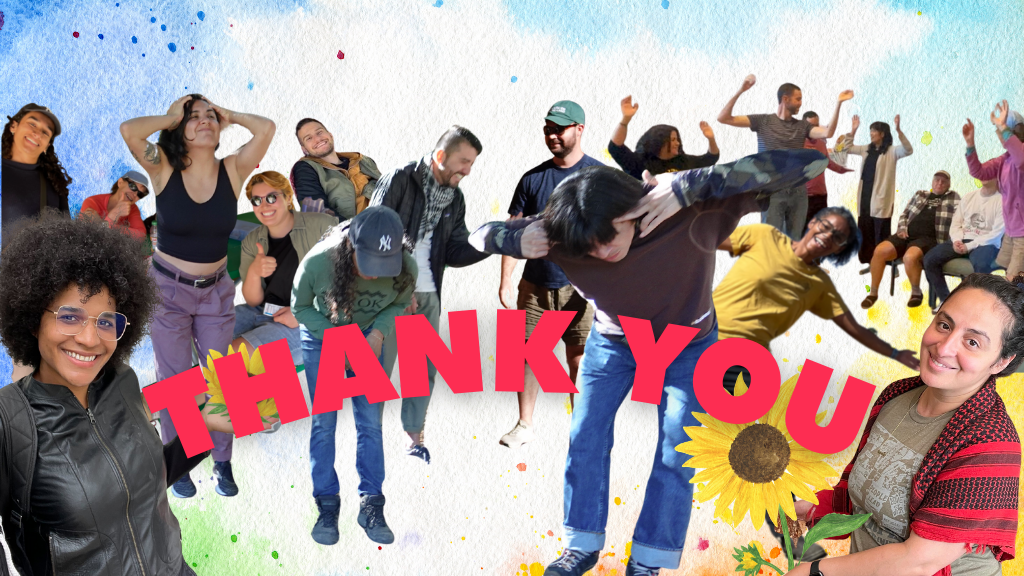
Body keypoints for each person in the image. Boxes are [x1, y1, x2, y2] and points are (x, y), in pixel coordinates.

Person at [470, 148, 829, 576]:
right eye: (589, 247)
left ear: (633, 208)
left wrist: (688, 185)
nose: (601, 252)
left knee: (677, 449)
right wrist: (513, 238)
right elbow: (476, 235)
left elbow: (808, 165)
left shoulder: (688, 210)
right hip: (614, 339)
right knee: (585, 434)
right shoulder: (566, 230)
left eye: (609, 237)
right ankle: (581, 545)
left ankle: (648, 560)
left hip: (687, 342)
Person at [0, 214, 229, 575]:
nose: (91, 339)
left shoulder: (122, 381)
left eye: (106, 321)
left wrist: (201, 428)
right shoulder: (8, 421)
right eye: (70, 317)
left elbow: (138, 484)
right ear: (32, 319)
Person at [785, 273, 1022, 576]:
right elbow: (863, 498)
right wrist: (808, 508)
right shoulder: (898, 394)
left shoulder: (991, 443)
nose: (945, 346)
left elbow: (918, 562)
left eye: (972, 341)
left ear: (1001, 362)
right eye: (944, 324)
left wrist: (813, 571)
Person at [119, 94, 275, 499]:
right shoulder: (162, 168)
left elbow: (266, 129)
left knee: (225, 373)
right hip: (168, 292)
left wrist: (231, 116)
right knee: (177, 379)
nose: (203, 121)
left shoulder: (233, 170)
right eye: (194, 117)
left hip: (216, 293)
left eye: (210, 116)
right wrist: (172, 114)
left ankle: (223, 460)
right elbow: (130, 132)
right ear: (178, 130)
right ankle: (184, 457)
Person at [292, 206, 416, 546]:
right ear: (351, 247)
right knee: (324, 421)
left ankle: (372, 504)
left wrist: (378, 333)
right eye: (369, 264)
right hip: (322, 337)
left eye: (384, 265)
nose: (376, 276)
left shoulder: (407, 266)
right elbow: (299, 307)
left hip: (367, 336)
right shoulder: (319, 262)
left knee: (370, 421)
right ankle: (327, 504)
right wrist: (337, 341)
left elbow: (399, 301)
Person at [369, 125, 490, 463]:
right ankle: (370, 440)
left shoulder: (455, 198)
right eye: (463, 161)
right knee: (378, 367)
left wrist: (491, 241)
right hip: (390, 294)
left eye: (472, 164)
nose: (467, 171)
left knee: (421, 370)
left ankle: (414, 439)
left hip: (428, 295)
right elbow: (373, 232)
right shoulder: (400, 179)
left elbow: (454, 251)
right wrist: (401, 285)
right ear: (440, 156)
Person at [717, 209, 920, 396]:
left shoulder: (819, 285)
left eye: (838, 237)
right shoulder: (764, 236)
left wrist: (895, 353)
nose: (827, 235)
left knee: (710, 426)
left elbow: (855, 329)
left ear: (839, 248)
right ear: (813, 222)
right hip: (700, 336)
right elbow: (704, 242)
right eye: (825, 226)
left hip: (743, 359)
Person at [497, 101, 602, 449]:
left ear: (580, 129)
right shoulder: (533, 179)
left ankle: (583, 430)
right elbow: (514, 231)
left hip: (582, 287)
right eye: (548, 129)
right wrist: (506, 279)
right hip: (536, 283)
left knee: (580, 358)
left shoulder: (600, 178)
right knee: (529, 355)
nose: (552, 135)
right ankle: (524, 425)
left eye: (560, 128)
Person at [718, 74, 853, 240]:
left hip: (798, 191)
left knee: (794, 242)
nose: (800, 103)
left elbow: (828, 132)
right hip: (771, 191)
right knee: (771, 240)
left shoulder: (802, 126)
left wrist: (838, 104)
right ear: (785, 99)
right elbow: (724, 118)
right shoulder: (763, 121)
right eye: (798, 99)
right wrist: (741, 90)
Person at [234, 171, 337, 365]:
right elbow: (253, 299)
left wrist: (302, 314)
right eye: (256, 201)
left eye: (271, 198)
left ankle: (188, 393)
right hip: (264, 310)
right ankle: (205, 392)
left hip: (311, 321)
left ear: (288, 197)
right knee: (204, 335)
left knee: (233, 356)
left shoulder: (322, 227)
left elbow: (346, 281)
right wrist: (255, 273)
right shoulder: (252, 241)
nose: (264, 206)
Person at [863, 171, 960, 309]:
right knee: (879, 251)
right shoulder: (921, 194)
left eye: (943, 181)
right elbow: (905, 213)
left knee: (910, 257)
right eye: (937, 180)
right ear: (932, 182)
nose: (939, 183)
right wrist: (902, 228)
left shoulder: (954, 197)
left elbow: (960, 218)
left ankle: (916, 291)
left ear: (949, 185)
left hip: (929, 238)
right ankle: (872, 293)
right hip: (905, 234)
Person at [838, 114, 914, 264]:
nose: (871, 133)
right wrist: (853, 131)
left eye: (874, 131)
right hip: (865, 196)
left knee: (880, 230)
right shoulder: (866, 149)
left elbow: (908, 149)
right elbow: (846, 149)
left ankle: (882, 261)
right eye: (870, 130)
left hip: (881, 198)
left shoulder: (892, 151)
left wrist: (899, 130)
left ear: (883, 134)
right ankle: (868, 260)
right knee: (865, 228)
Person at [923, 178, 1004, 310]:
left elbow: (996, 234)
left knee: (982, 265)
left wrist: (969, 246)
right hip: (961, 240)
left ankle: (978, 307)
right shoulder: (969, 197)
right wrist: (956, 240)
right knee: (929, 259)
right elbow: (956, 224)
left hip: (985, 243)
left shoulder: (1003, 201)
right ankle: (945, 300)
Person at [964, 100, 1024, 279]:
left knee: (1014, 281)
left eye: (1000, 130)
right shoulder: (1003, 160)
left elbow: (1020, 159)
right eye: (998, 130)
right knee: (1010, 275)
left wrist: (1003, 126)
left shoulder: (1020, 154)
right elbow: (978, 171)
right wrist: (970, 145)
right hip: (1012, 231)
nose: (997, 134)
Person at [1, 104, 71, 245]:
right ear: (13, 126)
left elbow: (68, 236)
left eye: (45, 132)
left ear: (47, 146)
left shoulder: (55, 181)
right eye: (32, 124)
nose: (37, 134)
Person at [608, 95, 719, 180]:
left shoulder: (684, 162)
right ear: (659, 142)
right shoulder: (639, 162)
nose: (677, 143)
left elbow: (710, 158)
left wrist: (711, 139)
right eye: (673, 140)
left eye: (677, 139)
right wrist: (625, 120)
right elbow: (615, 148)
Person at [291, 118, 381, 220]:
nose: (317, 139)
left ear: (330, 135)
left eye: (319, 132)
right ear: (304, 149)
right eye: (309, 138)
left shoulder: (362, 160)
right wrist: (352, 232)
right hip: (355, 232)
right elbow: (315, 211)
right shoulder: (305, 169)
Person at [802, 111, 853, 228]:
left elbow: (828, 162)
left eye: (816, 125)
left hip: (821, 195)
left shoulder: (821, 142)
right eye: (811, 126)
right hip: (802, 197)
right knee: (802, 235)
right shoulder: (796, 143)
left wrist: (841, 169)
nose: (814, 129)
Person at [78, 170, 149, 239]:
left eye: (140, 194)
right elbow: (89, 239)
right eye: (133, 186)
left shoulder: (132, 208)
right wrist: (115, 213)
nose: (135, 194)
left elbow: (140, 236)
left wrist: (103, 224)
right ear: (120, 182)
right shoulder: (92, 202)